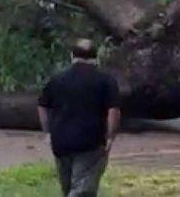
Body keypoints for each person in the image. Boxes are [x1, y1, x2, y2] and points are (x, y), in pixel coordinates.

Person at [38, 39, 121, 197]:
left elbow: (42, 106)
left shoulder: (57, 79)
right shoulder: (106, 81)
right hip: (91, 141)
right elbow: (113, 111)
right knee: (83, 188)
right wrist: (110, 137)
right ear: (96, 57)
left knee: (68, 187)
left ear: (72, 56)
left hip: (60, 141)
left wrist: (47, 132)